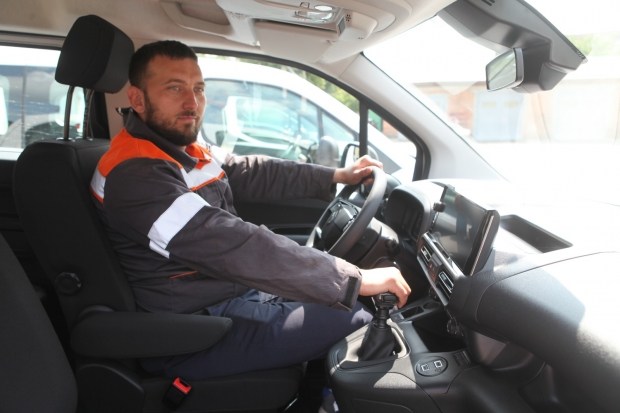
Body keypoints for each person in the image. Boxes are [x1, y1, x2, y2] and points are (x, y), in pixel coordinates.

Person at [90, 40, 411, 380]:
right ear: (138, 99)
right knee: (358, 318)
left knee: (343, 304)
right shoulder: (136, 173)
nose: (192, 102)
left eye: (198, 89)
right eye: (175, 88)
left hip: (226, 294)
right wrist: (351, 279)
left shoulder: (178, 149)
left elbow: (250, 171)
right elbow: (228, 243)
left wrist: (336, 176)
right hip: (194, 328)